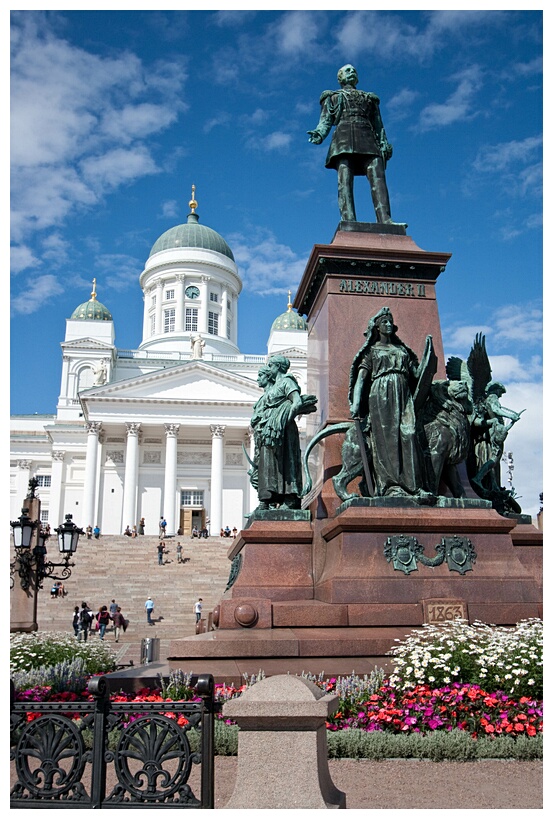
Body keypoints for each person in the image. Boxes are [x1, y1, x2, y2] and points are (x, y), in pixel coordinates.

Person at [348, 306, 432, 499]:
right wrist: (355, 403)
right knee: (387, 441)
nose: (388, 324)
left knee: (409, 434)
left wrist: (428, 354)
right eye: (384, 322)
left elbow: (417, 375)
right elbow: (361, 379)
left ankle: (413, 486)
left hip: (403, 394)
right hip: (381, 394)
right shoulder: (372, 351)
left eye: (390, 321)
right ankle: (390, 486)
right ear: (377, 327)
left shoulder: (402, 350)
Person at [308, 64, 402, 226]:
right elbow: (325, 121)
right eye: (347, 71)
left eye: (354, 71)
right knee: (345, 180)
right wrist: (319, 133)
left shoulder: (369, 99)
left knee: (378, 178)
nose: (352, 72)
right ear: (340, 78)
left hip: (368, 138)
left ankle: (385, 219)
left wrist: (383, 142)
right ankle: (348, 220)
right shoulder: (332, 97)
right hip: (344, 139)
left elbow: (378, 125)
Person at [249, 357, 316, 510]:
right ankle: (268, 499)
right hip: (270, 431)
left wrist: (283, 419)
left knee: (287, 462)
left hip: (283, 429)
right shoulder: (274, 387)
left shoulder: (287, 381)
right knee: (269, 466)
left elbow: (297, 402)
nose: (269, 368)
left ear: (278, 367)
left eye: (270, 365)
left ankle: (290, 498)